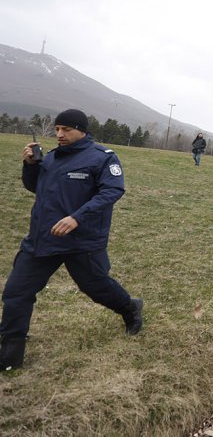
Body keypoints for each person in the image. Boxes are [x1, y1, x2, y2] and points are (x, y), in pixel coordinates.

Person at [1, 109, 143, 371]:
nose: (59, 135)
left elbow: (113, 190)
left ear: (82, 130)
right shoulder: (52, 158)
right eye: (56, 129)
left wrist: (77, 217)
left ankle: (130, 308)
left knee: (96, 287)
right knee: (16, 293)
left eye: (65, 129)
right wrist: (30, 166)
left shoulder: (102, 158)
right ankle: (9, 355)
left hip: (82, 240)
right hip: (44, 238)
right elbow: (36, 187)